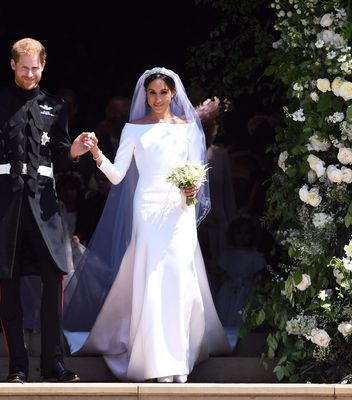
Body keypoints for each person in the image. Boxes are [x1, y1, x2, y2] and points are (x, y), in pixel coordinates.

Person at [63, 67, 231, 383]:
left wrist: (191, 192)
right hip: (147, 206)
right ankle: (154, 360)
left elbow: (196, 174)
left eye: (163, 92)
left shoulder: (188, 130)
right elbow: (116, 175)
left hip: (179, 210)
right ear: (145, 95)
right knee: (152, 277)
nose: (157, 98)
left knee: (178, 277)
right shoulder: (133, 129)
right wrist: (97, 153)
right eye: (151, 92)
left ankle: (178, 359)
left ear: (173, 94)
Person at [0, 37, 94, 383]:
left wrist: (76, 150)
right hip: (4, 207)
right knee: (9, 290)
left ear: (43, 66)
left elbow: (63, 158)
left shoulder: (55, 106)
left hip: (45, 208)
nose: (30, 74)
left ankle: (54, 364)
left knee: (54, 282)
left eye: (36, 68)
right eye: (24, 68)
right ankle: (17, 365)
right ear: (12, 65)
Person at [195, 98, 237, 291]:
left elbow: (228, 191)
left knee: (220, 270)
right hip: (193, 222)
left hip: (218, 222)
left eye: (210, 128)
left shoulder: (220, 155)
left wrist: (232, 222)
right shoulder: (185, 155)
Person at [215, 216, 267, 346]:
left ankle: (246, 340)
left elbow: (260, 275)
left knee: (246, 314)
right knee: (226, 314)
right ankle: (226, 340)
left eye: (246, 233)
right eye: (239, 233)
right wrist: (227, 280)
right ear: (233, 234)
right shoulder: (228, 254)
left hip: (248, 290)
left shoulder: (255, 255)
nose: (242, 237)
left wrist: (254, 283)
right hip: (229, 291)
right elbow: (220, 272)